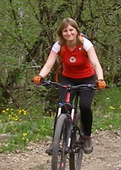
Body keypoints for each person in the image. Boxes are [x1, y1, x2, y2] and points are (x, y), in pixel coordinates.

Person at [33, 18, 106, 152]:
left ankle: (87, 137)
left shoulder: (85, 44)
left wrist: (100, 79)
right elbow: (49, 64)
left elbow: (96, 63)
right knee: (63, 107)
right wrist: (40, 76)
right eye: (65, 31)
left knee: (85, 106)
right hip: (68, 79)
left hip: (87, 79)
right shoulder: (59, 46)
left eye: (71, 30)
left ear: (77, 31)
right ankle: (56, 142)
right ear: (61, 33)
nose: (69, 33)